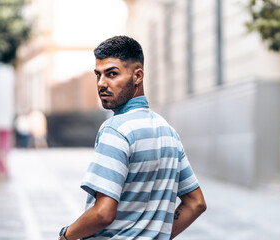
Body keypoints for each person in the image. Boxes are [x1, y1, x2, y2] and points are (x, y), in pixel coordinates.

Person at [59, 36, 206, 240]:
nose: (101, 83)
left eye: (112, 74)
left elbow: (103, 213)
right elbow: (195, 203)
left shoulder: (116, 130)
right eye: (98, 75)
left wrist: (66, 236)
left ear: (138, 76)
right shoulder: (168, 131)